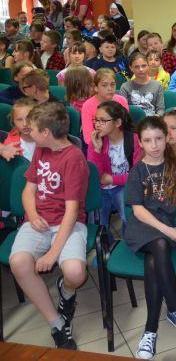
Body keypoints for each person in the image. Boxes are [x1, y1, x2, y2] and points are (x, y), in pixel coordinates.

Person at [8, 102, 89, 349]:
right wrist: (32, 215)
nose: (27, 130)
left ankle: (66, 291)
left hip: (68, 223)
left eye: (31, 128)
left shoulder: (74, 158)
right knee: (19, 263)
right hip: (38, 221)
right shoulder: (41, 150)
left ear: (45, 133)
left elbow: (72, 212)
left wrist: (53, 254)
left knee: (75, 273)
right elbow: (28, 191)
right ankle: (57, 323)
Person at [125, 116, 176, 359]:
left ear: (167, 138)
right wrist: (168, 231)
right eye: (148, 140)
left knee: (153, 262)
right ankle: (175, 307)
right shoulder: (137, 171)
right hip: (142, 227)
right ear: (140, 143)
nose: (154, 145)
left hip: (163, 227)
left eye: (158, 138)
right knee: (159, 243)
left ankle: (150, 332)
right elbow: (138, 211)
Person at [87, 101, 140, 244]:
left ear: (117, 123)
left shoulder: (134, 140)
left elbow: (138, 176)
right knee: (98, 222)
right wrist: (97, 151)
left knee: (127, 217)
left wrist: (111, 179)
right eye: (96, 120)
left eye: (103, 121)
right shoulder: (96, 142)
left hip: (125, 186)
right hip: (102, 188)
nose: (97, 124)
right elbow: (95, 176)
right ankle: (107, 247)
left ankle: (128, 244)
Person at [81, 68, 130, 145]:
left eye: (112, 84)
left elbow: (126, 128)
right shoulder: (87, 106)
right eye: (104, 85)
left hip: (119, 142)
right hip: (97, 143)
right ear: (96, 87)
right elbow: (88, 138)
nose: (110, 88)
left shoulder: (122, 101)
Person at [120, 52, 165, 116]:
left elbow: (160, 109)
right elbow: (123, 111)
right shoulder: (125, 87)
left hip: (151, 120)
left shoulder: (157, 85)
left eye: (144, 66)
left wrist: (157, 117)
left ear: (148, 65)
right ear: (131, 68)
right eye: (136, 67)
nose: (141, 69)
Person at [0, 98, 37, 162]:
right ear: (13, 121)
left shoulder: (48, 139)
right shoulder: (10, 144)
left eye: (29, 118)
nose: (25, 124)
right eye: (19, 120)